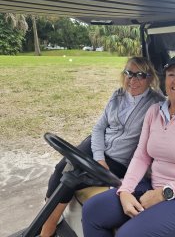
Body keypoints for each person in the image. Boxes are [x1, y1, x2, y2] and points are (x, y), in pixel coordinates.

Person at [82, 54, 175, 237]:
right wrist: (125, 190)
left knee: (128, 235)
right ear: (165, 80)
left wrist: (162, 194)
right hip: (153, 184)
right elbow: (141, 156)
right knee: (92, 210)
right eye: (172, 74)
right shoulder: (155, 111)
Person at [40, 57, 165, 237]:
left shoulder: (156, 104)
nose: (133, 80)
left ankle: (47, 230)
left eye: (140, 75)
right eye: (129, 73)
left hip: (119, 160)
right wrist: (99, 157)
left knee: (71, 179)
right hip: (96, 147)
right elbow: (99, 128)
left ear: (150, 78)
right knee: (61, 167)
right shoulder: (118, 95)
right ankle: (49, 212)